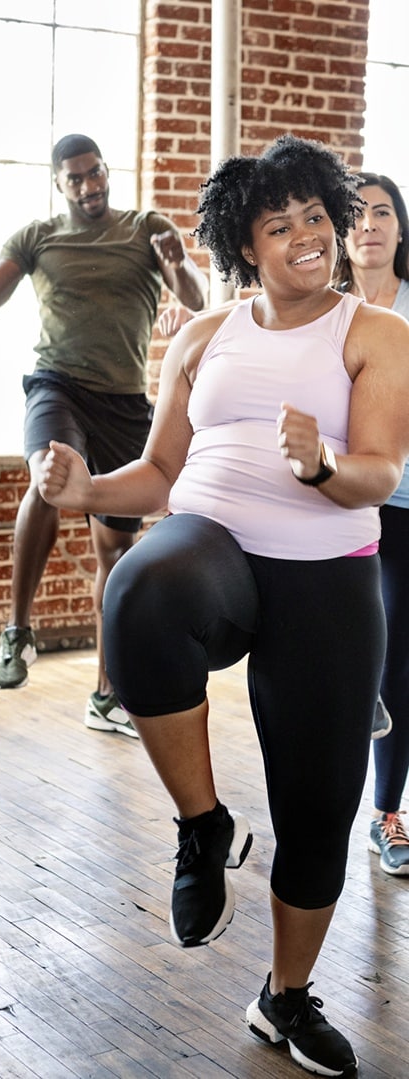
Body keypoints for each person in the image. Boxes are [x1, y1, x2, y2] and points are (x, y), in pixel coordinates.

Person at [38, 133, 409, 1075]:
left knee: (319, 811)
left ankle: (285, 996)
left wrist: (321, 465)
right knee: (138, 590)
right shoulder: (204, 337)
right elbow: (160, 470)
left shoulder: (374, 333)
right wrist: (86, 491)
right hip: (212, 545)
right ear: (246, 244)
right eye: (280, 226)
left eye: (317, 217)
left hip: (326, 573)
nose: (307, 237)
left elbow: (379, 471)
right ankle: (202, 826)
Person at [0, 133, 206, 736]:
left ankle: (108, 695)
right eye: (76, 178)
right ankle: (17, 630)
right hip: (56, 385)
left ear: (106, 172)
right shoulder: (37, 237)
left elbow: (192, 297)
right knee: (49, 475)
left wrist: (174, 261)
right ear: (59, 184)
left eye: (96, 173)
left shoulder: (145, 228)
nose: (90, 186)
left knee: (116, 552)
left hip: (123, 404)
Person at [336, 172, 409, 875]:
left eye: (383, 212)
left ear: (400, 227)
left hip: (405, 504)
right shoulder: (327, 312)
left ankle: (386, 814)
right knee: (359, 648)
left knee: (400, 654)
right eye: (356, 215)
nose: (369, 225)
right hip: (341, 501)